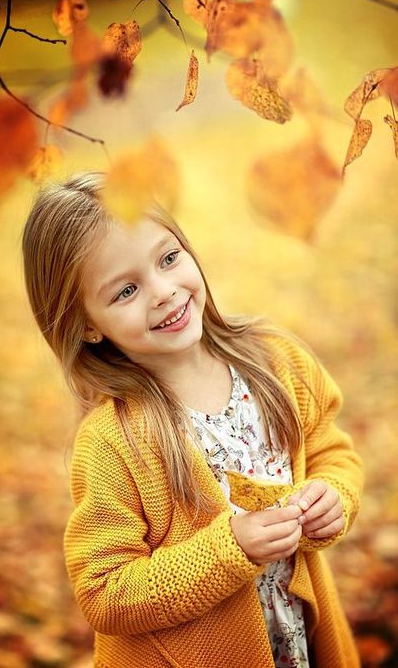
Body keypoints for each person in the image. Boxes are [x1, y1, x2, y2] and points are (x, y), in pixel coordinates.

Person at [22, 172, 364, 668]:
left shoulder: (277, 363)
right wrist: (229, 550)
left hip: (295, 642)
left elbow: (332, 451)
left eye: (168, 258)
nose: (163, 291)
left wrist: (335, 496)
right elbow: (105, 592)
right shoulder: (113, 442)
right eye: (125, 291)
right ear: (86, 326)